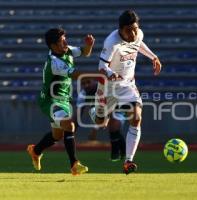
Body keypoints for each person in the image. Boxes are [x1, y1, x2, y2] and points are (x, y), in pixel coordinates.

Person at [90, 10, 162, 174]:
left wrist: (153, 57)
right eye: (128, 30)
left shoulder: (138, 34)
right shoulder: (112, 42)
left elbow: (139, 44)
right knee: (101, 122)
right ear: (120, 30)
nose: (133, 33)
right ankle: (96, 112)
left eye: (135, 29)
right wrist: (110, 73)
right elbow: (101, 67)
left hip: (128, 85)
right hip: (108, 87)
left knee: (136, 118)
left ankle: (128, 160)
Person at [27, 27, 95, 175]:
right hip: (50, 100)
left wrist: (89, 45)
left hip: (63, 100)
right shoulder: (54, 62)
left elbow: (85, 52)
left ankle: (35, 151)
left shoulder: (67, 50)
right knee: (69, 125)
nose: (65, 42)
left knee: (57, 135)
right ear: (52, 46)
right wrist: (101, 75)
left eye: (65, 39)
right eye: (61, 41)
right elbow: (76, 74)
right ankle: (74, 164)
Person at [76, 78, 126, 161]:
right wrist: (70, 132)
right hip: (103, 110)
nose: (86, 85)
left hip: (118, 107)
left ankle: (121, 153)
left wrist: (95, 128)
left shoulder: (104, 89)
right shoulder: (83, 93)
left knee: (114, 126)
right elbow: (77, 114)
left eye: (88, 82)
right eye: (83, 83)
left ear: (94, 81)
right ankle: (117, 154)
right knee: (113, 128)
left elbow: (111, 107)